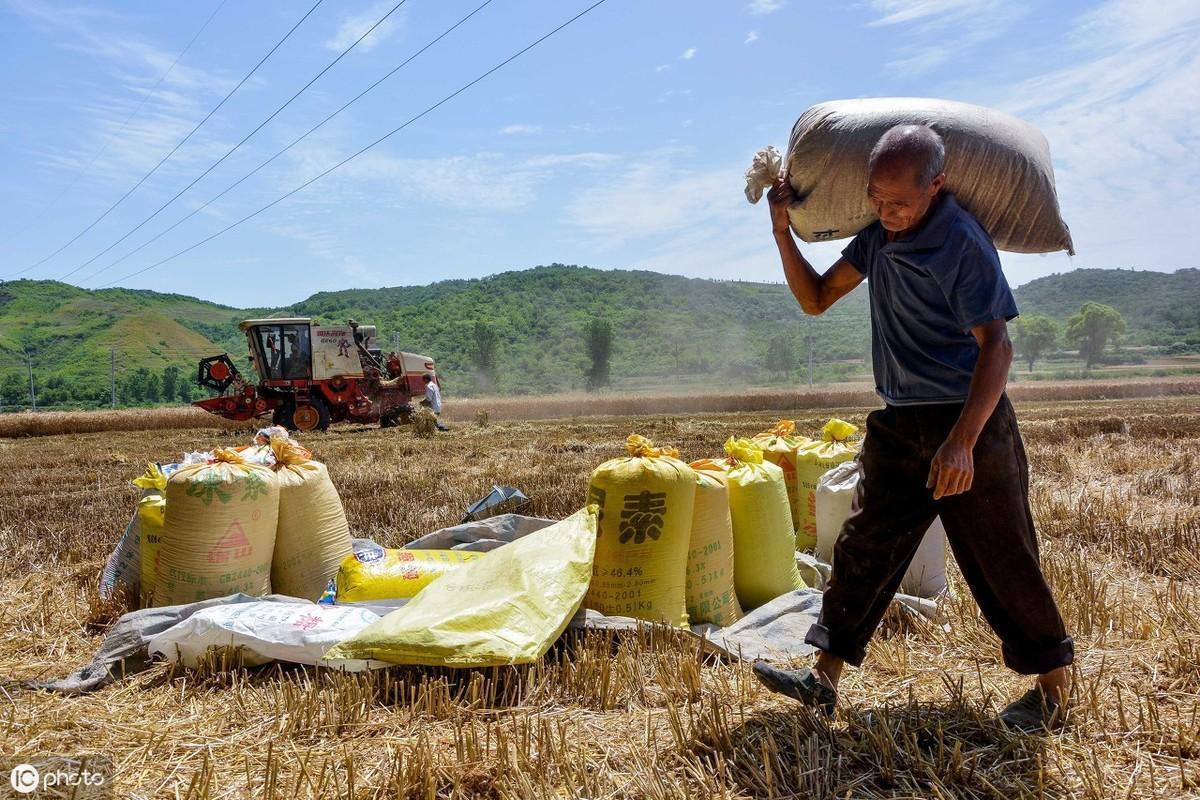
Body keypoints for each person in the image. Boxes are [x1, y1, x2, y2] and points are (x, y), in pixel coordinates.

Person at [751, 124, 1074, 733]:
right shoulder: (877, 240)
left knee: (1002, 556)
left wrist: (963, 441)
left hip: (968, 420)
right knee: (867, 545)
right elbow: (817, 298)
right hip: (900, 423)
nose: (886, 210)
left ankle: (1055, 687)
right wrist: (780, 234)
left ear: (937, 186)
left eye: (899, 200)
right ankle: (823, 676)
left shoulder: (959, 241)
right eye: (877, 196)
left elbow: (997, 347)